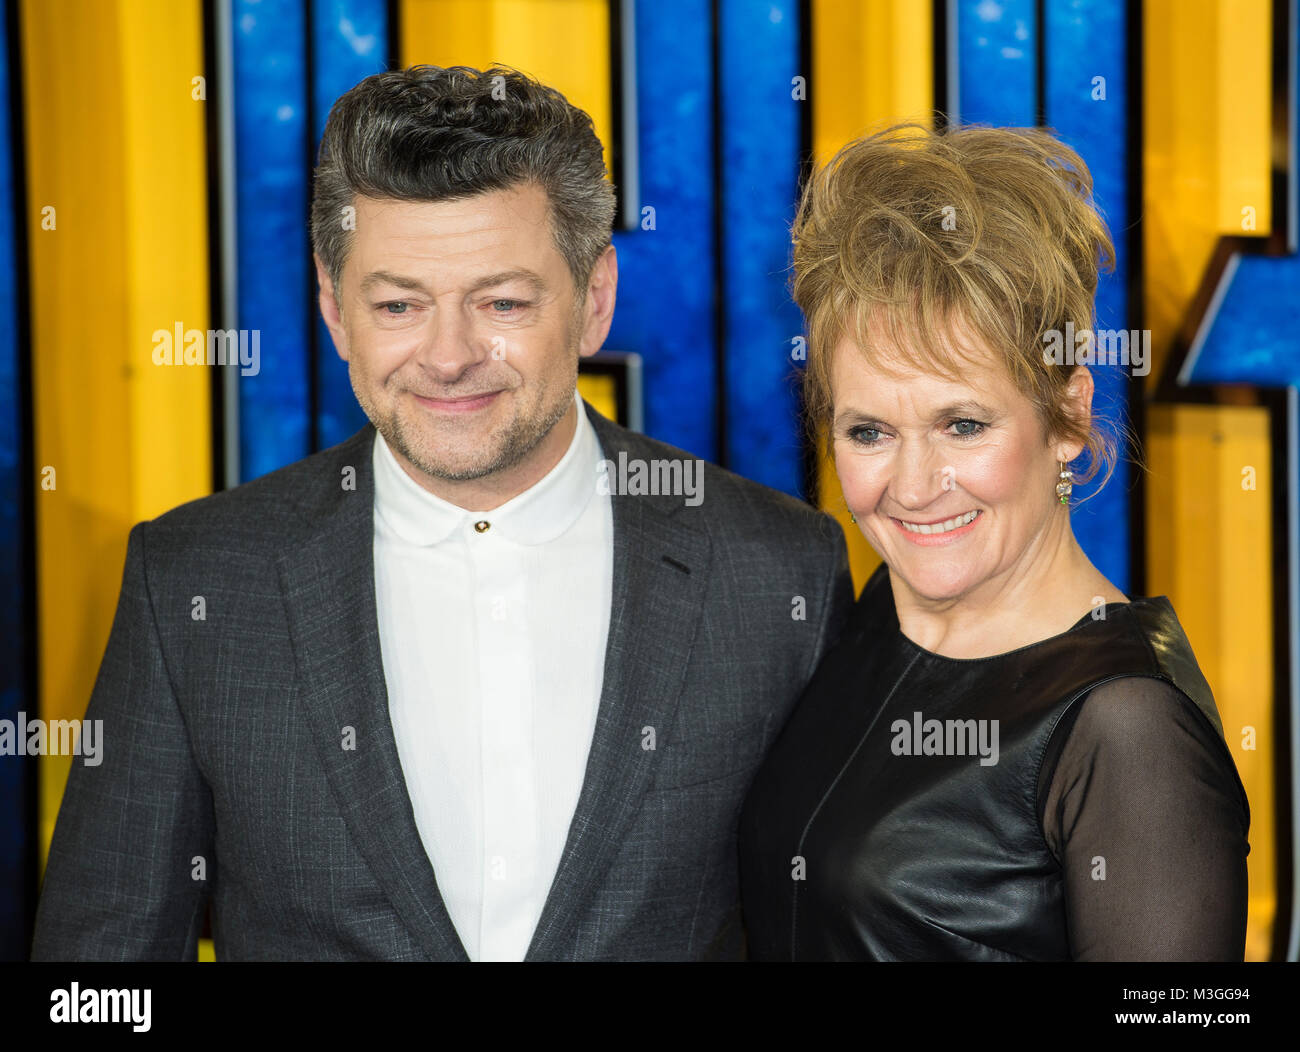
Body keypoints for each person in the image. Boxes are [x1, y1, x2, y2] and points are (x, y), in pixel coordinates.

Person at [31, 65, 854, 962]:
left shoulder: (781, 570)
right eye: (398, 304)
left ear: (595, 299)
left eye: (501, 301)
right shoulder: (194, 580)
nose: (449, 355)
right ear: (333, 308)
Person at [738, 123, 1251, 961]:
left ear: (1068, 416)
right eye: (869, 432)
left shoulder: (1127, 730)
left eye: (963, 424)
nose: (911, 486)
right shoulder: (870, 615)